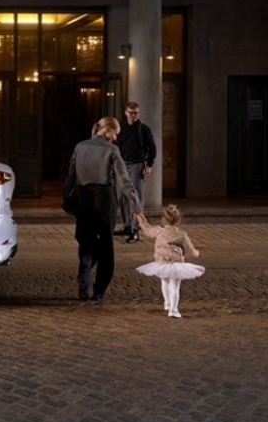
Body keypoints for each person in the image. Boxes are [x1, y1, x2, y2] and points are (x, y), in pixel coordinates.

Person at [64, 116, 145, 302]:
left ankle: (84, 283)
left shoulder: (80, 147)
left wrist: (66, 198)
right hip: (105, 199)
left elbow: (70, 176)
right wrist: (136, 205)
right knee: (106, 244)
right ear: (107, 130)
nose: (116, 138)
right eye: (115, 133)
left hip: (84, 197)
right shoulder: (111, 149)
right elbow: (125, 180)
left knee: (85, 240)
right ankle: (99, 290)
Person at [135, 205, 204, 318]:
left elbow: (147, 231)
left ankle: (167, 302)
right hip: (176, 262)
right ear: (178, 220)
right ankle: (173, 309)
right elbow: (189, 250)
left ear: (163, 219)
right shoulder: (181, 234)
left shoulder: (159, 230)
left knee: (165, 281)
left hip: (162, 261)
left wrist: (142, 220)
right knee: (175, 286)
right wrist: (196, 253)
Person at [114, 101, 157, 244]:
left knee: (136, 198)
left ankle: (135, 229)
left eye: (136, 113)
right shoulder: (120, 128)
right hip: (122, 166)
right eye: (131, 113)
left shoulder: (143, 129)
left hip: (137, 165)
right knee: (122, 197)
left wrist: (149, 165)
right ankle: (127, 225)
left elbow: (152, 148)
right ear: (126, 113)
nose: (133, 115)